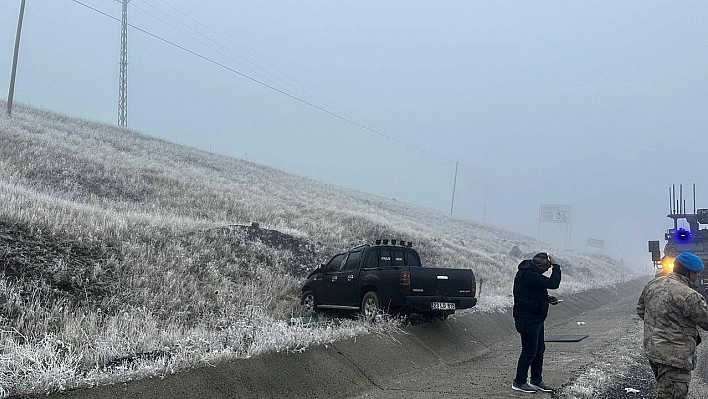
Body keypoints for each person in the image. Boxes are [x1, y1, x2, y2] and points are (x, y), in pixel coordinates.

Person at [637, 252, 708, 399]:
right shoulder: (690, 295)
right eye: (696, 273)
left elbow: (641, 310)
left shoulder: (653, 284)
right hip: (675, 358)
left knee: (664, 391)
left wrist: (663, 325)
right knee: (673, 395)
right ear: (689, 273)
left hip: (654, 352)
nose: (698, 277)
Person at [511, 252, 561, 393]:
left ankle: (536, 380)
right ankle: (519, 382)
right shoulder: (528, 274)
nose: (547, 270)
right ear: (539, 265)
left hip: (536, 318)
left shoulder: (533, 273)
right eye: (547, 267)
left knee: (539, 350)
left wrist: (547, 299)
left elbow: (531, 293)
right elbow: (553, 283)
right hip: (527, 319)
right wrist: (556, 266)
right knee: (529, 351)